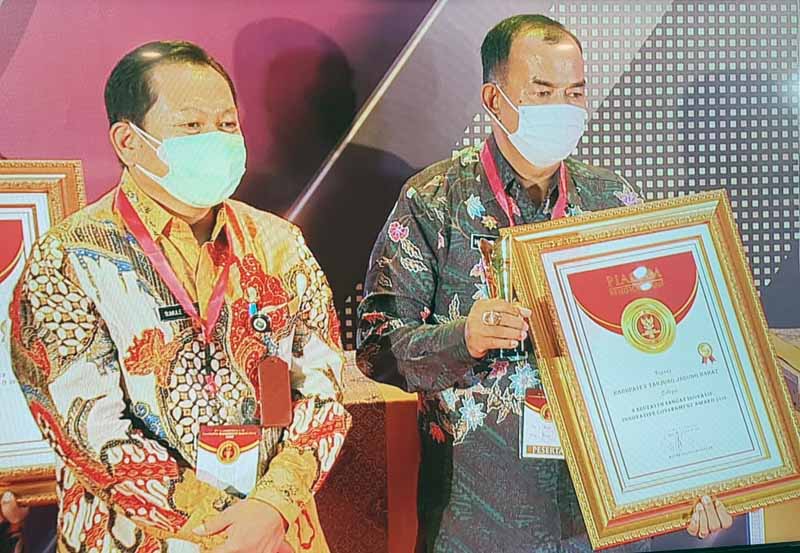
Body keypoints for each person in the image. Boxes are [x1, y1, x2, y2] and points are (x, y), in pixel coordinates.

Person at [357, 15, 731, 553]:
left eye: (575, 92)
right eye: (543, 92)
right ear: (494, 98)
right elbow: (376, 349)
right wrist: (463, 337)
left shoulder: (613, 200)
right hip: (477, 521)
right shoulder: (434, 201)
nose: (563, 107)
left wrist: (695, 472)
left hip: (603, 520)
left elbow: (666, 348)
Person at [10, 41, 350, 553]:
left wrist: (271, 508)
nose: (215, 139)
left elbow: (322, 389)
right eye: (191, 126)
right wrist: (220, 525)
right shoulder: (67, 259)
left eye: (227, 123)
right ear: (128, 140)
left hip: (276, 533)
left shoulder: (279, 243)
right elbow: (87, 427)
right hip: (137, 537)